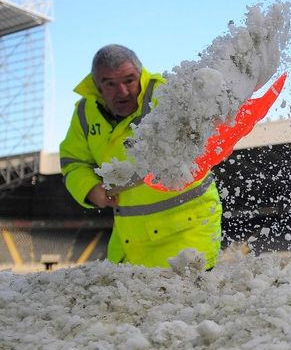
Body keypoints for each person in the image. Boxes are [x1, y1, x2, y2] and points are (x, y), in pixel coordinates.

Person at [60, 44, 222, 269]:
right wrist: (89, 189)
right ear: (97, 86)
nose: (123, 92)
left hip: (188, 231)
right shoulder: (84, 114)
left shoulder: (167, 94)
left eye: (129, 80)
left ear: (141, 73)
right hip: (128, 241)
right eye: (110, 84)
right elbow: (72, 162)